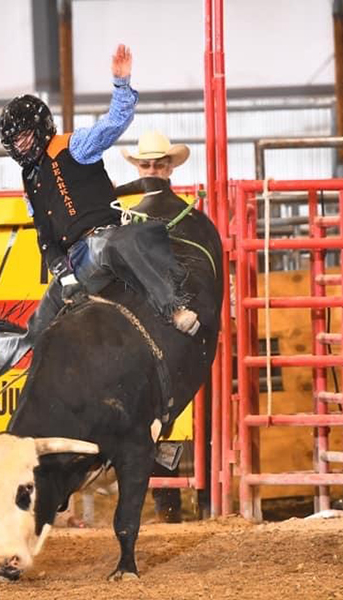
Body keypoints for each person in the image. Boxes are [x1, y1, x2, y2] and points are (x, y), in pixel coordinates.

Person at [0, 44, 200, 381]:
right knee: (43, 314)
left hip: (104, 239)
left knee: (116, 244)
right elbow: (45, 235)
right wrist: (63, 274)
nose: (20, 147)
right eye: (15, 142)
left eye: (24, 138)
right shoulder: (30, 180)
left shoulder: (75, 145)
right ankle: (17, 360)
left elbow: (115, 122)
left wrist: (121, 84)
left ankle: (173, 307)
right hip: (76, 260)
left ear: (39, 130)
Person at [118, 130, 223, 523]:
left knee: (146, 405)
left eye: (156, 164)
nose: (152, 169)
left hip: (146, 327)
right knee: (168, 407)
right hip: (185, 330)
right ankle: (173, 509)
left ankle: (167, 508)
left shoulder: (128, 221)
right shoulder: (197, 223)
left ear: (167, 167)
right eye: (148, 164)